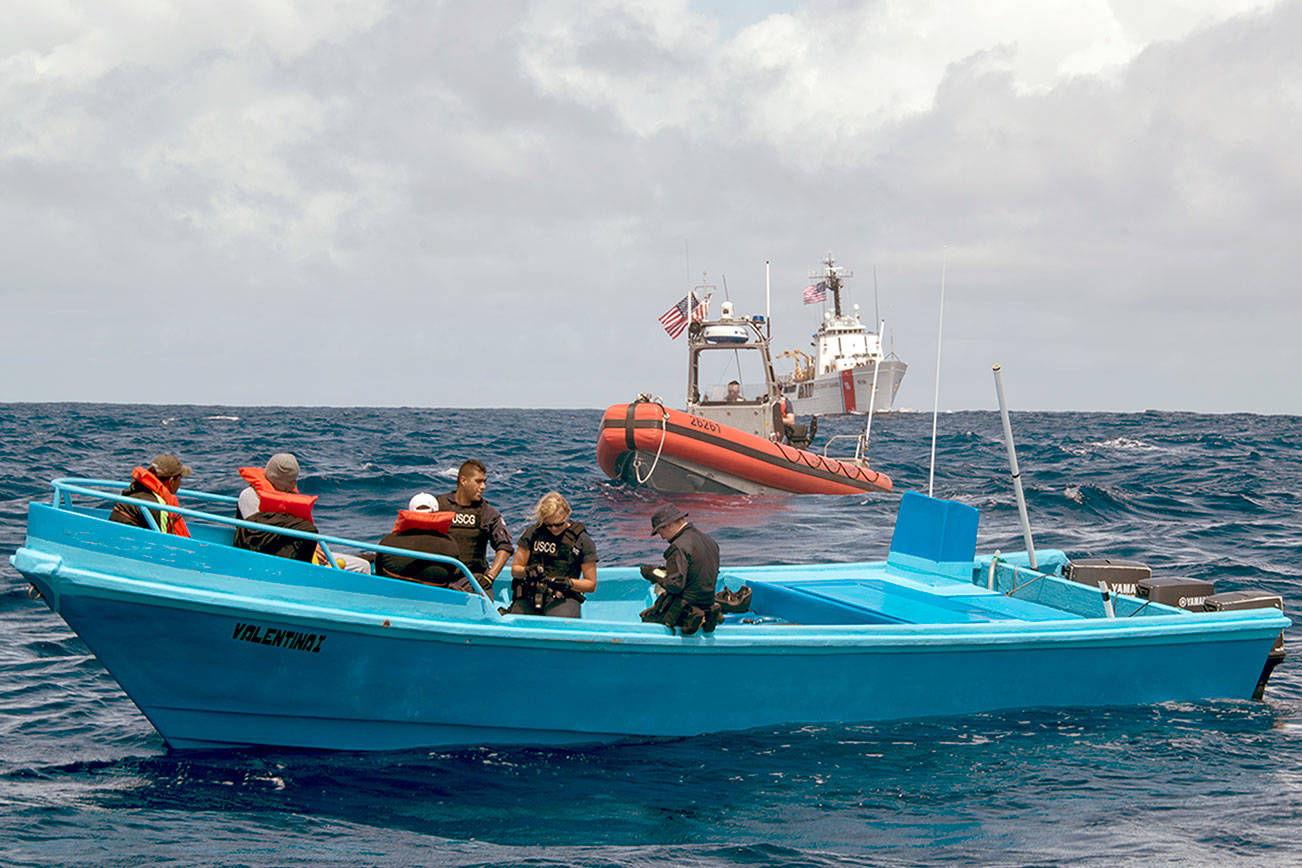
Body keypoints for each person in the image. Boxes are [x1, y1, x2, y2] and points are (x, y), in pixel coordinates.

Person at [234, 453, 370, 571]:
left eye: (295, 480)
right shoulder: (250, 496)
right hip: (276, 558)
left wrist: (314, 545)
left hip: (303, 551)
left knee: (362, 566)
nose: (294, 486)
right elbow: (257, 537)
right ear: (276, 479)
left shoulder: (287, 495)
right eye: (289, 481)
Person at [507, 491, 597, 617]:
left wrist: (569, 583)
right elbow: (515, 570)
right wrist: (528, 571)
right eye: (549, 525)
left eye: (559, 524)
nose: (554, 529)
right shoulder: (532, 534)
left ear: (566, 515)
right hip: (532, 594)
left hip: (562, 596)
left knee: (561, 624)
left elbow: (591, 584)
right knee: (515, 623)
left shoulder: (581, 540)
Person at [639, 504, 721, 634]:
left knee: (646, 619)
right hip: (707, 606)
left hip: (686, 610)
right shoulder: (710, 541)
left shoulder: (678, 547)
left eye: (661, 532)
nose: (663, 538)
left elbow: (675, 585)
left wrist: (652, 573)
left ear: (668, 525)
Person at [437, 459, 514, 590]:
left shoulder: (488, 513)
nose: (483, 486)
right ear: (463, 481)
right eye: (478, 481)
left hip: (473, 581)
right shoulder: (439, 505)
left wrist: (489, 577)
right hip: (441, 578)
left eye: (484, 482)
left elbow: (505, 547)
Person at [374, 492, 474, 592]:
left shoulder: (388, 541)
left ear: (410, 513)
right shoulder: (451, 545)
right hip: (434, 596)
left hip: (393, 592)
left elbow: (379, 572)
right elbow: (451, 575)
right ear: (436, 514)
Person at [109, 453, 192, 537]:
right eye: (180, 478)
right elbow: (163, 540)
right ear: (171, 481)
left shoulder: (134, 492)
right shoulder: (158, 506)